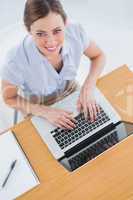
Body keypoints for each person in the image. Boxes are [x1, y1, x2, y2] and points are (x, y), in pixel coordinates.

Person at [1, 0, 105, 129]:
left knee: (97, 128)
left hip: (71, 90)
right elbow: (9, 98)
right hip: (37, 105)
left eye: (57, 31)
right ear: (28, 30)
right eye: (40, 34)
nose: (51, 42)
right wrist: (45, 112)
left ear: (65, 23)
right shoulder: (15, 60)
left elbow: (98, 56)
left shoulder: (75, 31)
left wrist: (88, 87)